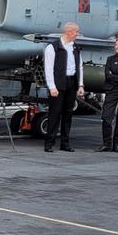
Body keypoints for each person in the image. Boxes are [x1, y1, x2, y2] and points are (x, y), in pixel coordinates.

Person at [42, 22, 84, 152]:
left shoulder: (75, 48)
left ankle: (65, 143)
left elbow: (80, 67)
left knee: (68, 114)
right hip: (58, 84)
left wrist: (80, 84)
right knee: (55, 114)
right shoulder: (53, 47)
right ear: (69, 32)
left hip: (72, 82)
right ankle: (49, 143)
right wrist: (52, 87)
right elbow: (48, 69)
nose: (78, 34)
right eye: (76, 31)